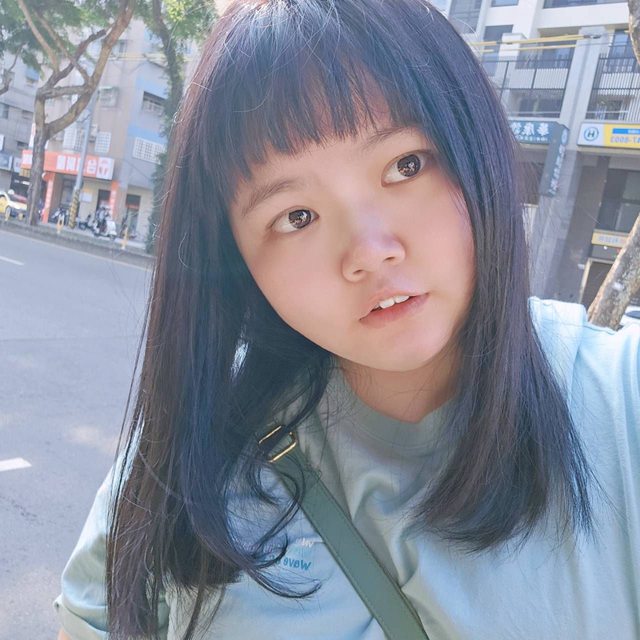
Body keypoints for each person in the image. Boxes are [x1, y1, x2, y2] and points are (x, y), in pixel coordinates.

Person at [54, 1, 640, 638]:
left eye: (405, 165)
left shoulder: (621, 404)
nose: (369, 251)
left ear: (479, 144)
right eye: (296, 217)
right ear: (237, 262)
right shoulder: (184, 456)